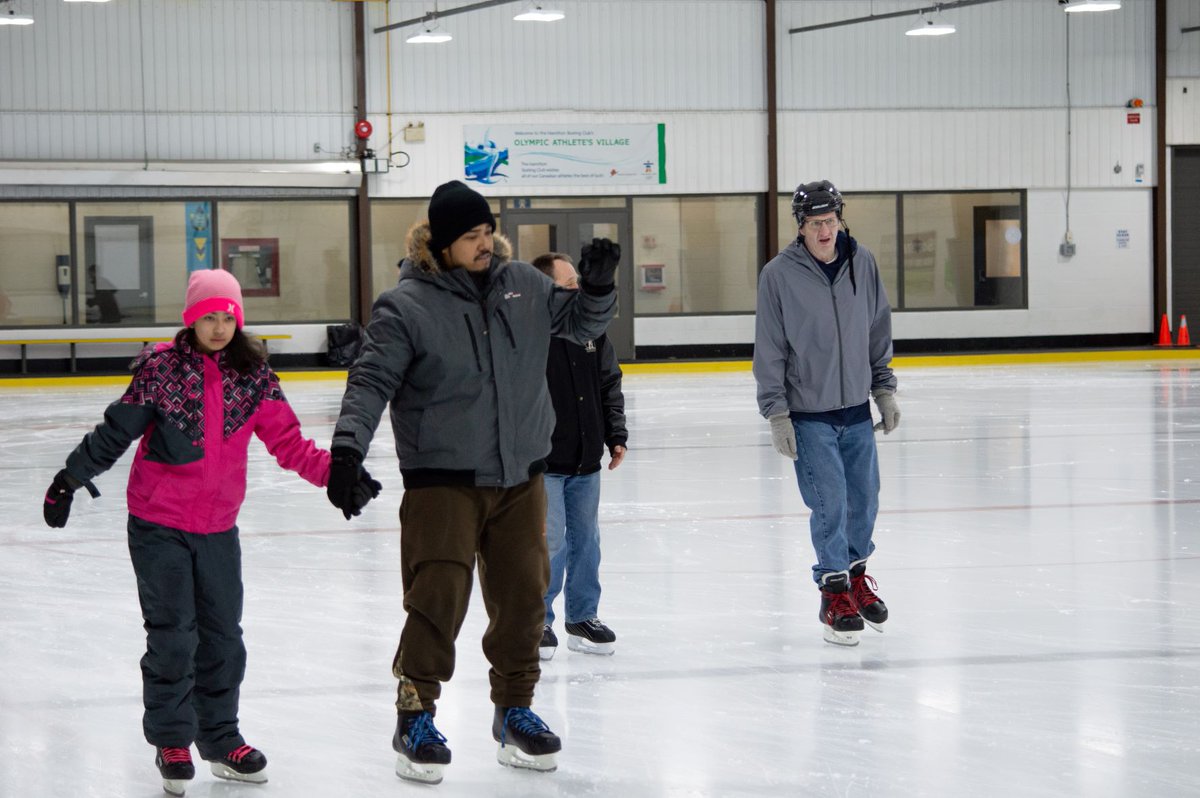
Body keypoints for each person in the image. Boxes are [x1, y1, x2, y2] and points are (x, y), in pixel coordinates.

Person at [41, 269, 377, 796]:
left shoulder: (254, 375)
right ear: (191, 318)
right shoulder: (159, 372)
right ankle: (173, 739)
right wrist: (69, 478)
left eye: (228, 316)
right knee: (174, 634)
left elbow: (287, 442)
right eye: (208, 316)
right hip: (158, 523)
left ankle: (220, 738)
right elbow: (116, 432)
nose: (219, 326)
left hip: (218, 527)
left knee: (223, 637)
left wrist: (336, 475)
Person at [326, 180, 619, 784]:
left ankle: (515, 710)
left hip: (521, 475)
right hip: (444, 478)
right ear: (440, 243)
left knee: (522, 597)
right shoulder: (405, 305)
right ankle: (414, 713)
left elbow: (582, 325)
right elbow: (371, 380)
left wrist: (597, 286)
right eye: (471, 237)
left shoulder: (526, 285)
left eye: (488, 232)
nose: (485, 244)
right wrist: (347, 450)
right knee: (438, 597)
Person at [752, 180, 900, 647]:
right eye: (816, 224)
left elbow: (877, 328)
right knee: (830, 503)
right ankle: (833, 590)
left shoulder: (863, 262)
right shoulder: (779, 274)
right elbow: (770, 346)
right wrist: (777, 412)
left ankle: (856, 576)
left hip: (855, 406)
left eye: (830, 222)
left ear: (840, 220)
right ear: (801, 226)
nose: (824, 232)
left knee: (866, 499)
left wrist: (884, 389)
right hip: (809, 412)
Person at [530, 252, 627, 661]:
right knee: (549, 545)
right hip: (545, 463)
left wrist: (615, 434)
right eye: (569, 283)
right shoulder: (529, 334)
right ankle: (539, 621)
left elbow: (609, 381)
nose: (578, 289)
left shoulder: (593, 331)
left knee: (587, 542)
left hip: (586, 459)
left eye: (578, 282)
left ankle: (582, 616)